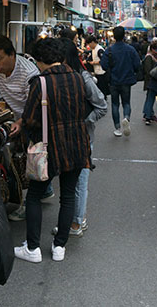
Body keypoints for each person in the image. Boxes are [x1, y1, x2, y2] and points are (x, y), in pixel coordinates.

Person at [12, 38, 92, 263]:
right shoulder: (78, 78)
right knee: (68, 196)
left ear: (40, 61)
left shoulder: (41, 83)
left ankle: (33, 248)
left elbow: (29, 118)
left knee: (35, 196)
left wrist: (23, 125)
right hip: (77, 145)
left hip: (50, 149)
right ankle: (59, 247)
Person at [0, 35, 52, 220]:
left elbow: (34, 106)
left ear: (12, 54)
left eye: (0, 58)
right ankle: (44, 189)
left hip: (33, 117)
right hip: (15, 115)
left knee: (29, 159)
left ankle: (27, 202)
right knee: (20, 158)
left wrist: (21, 123)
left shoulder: (29, 72)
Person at [60, 38, 107, 237]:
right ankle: (71, 220)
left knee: (80, 181)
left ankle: (77, 223)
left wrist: (85, 122)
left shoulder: (83, 78)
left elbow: (101, 106)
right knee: (69, 181)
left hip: (83, 137)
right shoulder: (57, 77)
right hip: (62, 138)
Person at [100, 26, 141, 137]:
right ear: (124, 36)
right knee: (126, 102)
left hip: (113, 81)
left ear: (114, 35)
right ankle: (126, 118)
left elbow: (103, 65)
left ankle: (117, 128)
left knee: (115, 104)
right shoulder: (130, 49)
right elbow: (137, 64)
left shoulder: (109, 50)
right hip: (126, 80)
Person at [142, 39, 157, 125]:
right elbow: (148, 71)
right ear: (152, 49)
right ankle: (148, 116)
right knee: (150, 99)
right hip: (151, 82)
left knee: (150, 99)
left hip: (155, 82)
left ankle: (149, 115)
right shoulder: (149, 57)